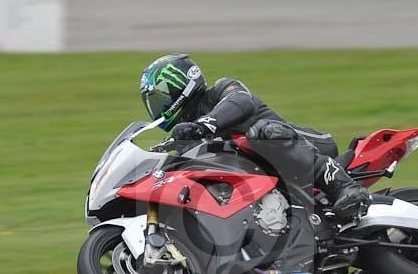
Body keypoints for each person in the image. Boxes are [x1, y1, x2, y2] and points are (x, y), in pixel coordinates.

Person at [139, 53, 369, 219]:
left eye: (161, 99)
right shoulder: (187, 135)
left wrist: (204, 125)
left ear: (181, 86)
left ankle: (344, 187)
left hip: (304, 148)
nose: (159, 107)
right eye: (154, 103)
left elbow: (241, 102)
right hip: (266, 184)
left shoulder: (222, 90)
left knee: (261, 133)